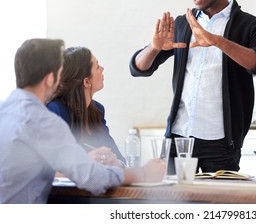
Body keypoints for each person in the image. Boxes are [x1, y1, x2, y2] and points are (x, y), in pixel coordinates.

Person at [129, 0, 256, 173]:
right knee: (170, 205)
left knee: (217, 205)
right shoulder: (183, 24)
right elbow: (139, 68)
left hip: (220, 143)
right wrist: (154, 47)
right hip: (177, 139)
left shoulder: (250, 25)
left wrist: (218, 42)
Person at [0, 38, 166, 204]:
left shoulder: (5, 110)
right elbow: (91, 177)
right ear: (50, 79)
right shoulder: (43, 120)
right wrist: (144, 173)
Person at [47, 46, 126, 166]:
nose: (103, 69)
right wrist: (85, 160)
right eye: (97, 67)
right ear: (87, 82)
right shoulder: (55, 111)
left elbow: (120, 160)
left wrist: (115, 162)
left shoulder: (98, 110)